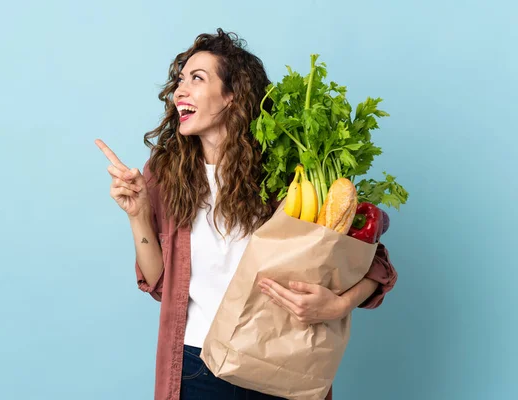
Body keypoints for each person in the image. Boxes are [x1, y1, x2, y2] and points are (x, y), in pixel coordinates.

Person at [95, 28, 397, 400]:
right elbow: (161, 284)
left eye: (197, 78)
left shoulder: (289, 174)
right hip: (195, 364)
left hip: (279, 359)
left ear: (232, 97)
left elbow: (375, 262)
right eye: (180, 80)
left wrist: (336, 305)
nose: (180, 91)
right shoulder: (165, 172)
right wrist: (138, 214)